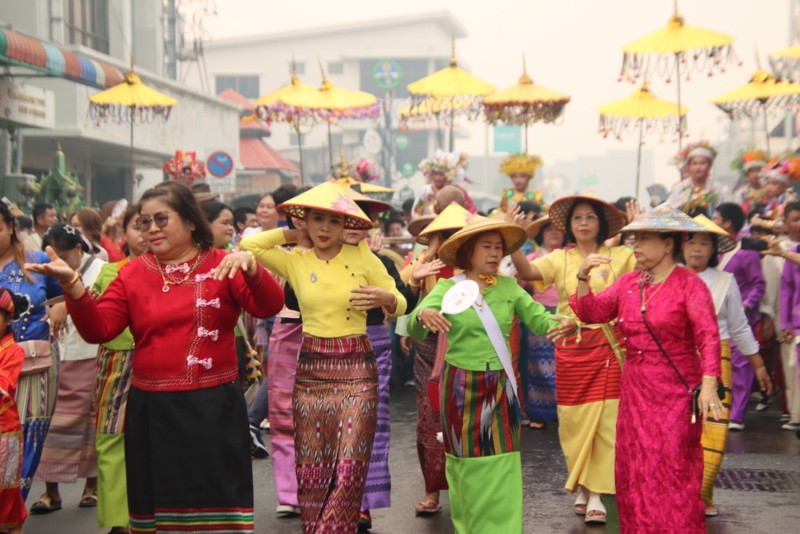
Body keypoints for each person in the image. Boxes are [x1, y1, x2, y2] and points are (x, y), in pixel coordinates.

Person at [26, 181, 284, 533]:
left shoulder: (223, 263)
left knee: (217, 512)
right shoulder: (132, 273)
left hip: (214, 407)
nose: (151, 229)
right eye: (144, 222)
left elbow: (269, 306)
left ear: (190, 220)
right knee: (158, 513)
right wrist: (73, 285)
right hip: (152, 410)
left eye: (161, 219)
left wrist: (252, 269)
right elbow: (100, 329)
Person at [240, 182, 407, 534]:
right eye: (317, 219)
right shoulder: (296, 260)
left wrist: (387, 299)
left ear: (345, 224)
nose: (325, 228)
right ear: (306, 222)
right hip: (312, 369)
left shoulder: (364, 257)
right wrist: (292, 233)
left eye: (334, 220)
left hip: (358, 368)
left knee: (350, 463)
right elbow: (249, 246)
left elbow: (400, 301)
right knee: (313, 465)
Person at [407, 216, 574, 534]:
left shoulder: (509, 287)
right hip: (460, 387)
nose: (495, 253)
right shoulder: (447, 287)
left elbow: (540, 319)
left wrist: (566, 322)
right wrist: (423, 313)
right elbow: (413, 324)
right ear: (468, 251)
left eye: (499, 247)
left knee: (503, 460)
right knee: (465, 462)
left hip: (501, 387)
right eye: (487, 246)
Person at [570, 205, 725, 533]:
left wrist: (710, 383)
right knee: (636, 469)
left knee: (673, 469)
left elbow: (709, 337)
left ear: (668, 244)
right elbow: (592, 312)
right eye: (634, 239)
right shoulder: (629, 283)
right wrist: (582, 276)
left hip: (676, 393)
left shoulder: (689, 284)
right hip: (636, 392)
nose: (635, 245)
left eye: (643, 239)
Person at [509, 195, 633, 524]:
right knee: (573, 421)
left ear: (601, 223)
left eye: (590, 217)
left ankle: (597, 493)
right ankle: (583, 481)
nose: (583, 223)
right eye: (577, 218)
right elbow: (526, 271)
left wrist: (641, 230)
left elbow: (646, 275)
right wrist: (514, 237)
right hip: (571, 348)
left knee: (606, 421)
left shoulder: (621, 256)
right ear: (569, 225)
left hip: (609, 346)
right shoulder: (560, 258)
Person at [340, 195, 420, 531]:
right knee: (330, 426)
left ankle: (361, 504)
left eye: (360, 220)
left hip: (373, 344)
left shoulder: (380, 261)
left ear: (369, 225)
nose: (352, 227)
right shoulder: (313, 260)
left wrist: (389, 298)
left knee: (369, 425)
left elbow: (404, 301)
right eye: (344, 219)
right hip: (325, 348)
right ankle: (332, 500)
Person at [683, 215, 772, 516]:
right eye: (691, 242)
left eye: (704, 243)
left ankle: (703, 494)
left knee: (714, 429)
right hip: (677, 360)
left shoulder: (725, 281)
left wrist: (758, 365)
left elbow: (739, 327)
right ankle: (678, 493)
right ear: (680, 246)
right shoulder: (669, 278)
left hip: (717, 361)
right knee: (678, 430)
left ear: (714, 249)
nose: (697, 248)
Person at [401, 202, 471, 516]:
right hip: (428, 342)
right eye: (444, 234)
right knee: (429, 417)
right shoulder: (427, 259)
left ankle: (467, 490)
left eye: (456, 233)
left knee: (465, 418)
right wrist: (429, 252)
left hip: (465, 341)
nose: (450, 239)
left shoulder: (475, 263)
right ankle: (432, 490)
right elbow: (406, 285)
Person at [31, 224, 106, 514]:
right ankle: (51, 491)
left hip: (91, 352)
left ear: (78, 248)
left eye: (63, 256)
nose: (58, 262)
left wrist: (66, 303)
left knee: (92, 420)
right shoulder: (45, 270)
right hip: (55, 353)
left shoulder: (101, 269)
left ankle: (92, 486)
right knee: (52, 422)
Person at [0, 201, 61, 501]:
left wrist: (61, 307)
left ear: (11, 227)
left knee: (28, 432)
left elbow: (62, 294)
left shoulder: (37, 260)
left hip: (33, 361)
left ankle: (14, 505)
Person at [91, 205, 146, 534]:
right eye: (138, 225)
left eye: (154, 223)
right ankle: (117, 520)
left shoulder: (175, 271)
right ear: (124, 233)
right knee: (111, 436)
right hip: (116, 360)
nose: (147, 232)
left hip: (161, 359)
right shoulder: (110, 272)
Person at [713, 203, 766, 431]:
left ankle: (736, 416)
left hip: (740, 319)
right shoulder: (715, 253)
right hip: (717, 319)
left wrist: (746, 306)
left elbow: (758, 284)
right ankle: (721, 410)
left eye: (716, 218)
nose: (713, 222)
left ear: (727, 223)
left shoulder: (746, 253)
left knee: (741, 366)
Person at [523, 216, 566, 429]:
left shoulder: (570, 257)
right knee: (538, 367)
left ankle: (565, 410)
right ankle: (539, 413)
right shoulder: (531, 259)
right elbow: (521, 283)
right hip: (539, 316)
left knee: (563, 366)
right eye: (549, 230)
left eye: (558, 229)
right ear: (541, 235)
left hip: (566, 317)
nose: (554, 233)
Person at [760, 201, 800, 432]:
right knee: (792, 370)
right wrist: (784, 322)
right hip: (796, 322)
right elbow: (785, 291)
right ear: (785, 222)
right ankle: (795, 415)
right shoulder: (789, 252)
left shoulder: (787, 253)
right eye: (796, 219)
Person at [0, 288, 31, 534]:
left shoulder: (13, 351)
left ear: (9, 319)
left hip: (4, 434)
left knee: (7, 495)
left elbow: (4, 384)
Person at [666, 141, 724, 217]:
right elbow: (670, 208)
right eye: (694, 163)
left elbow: (719, 212)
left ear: (709, 166)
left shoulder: (716, 187)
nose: (698, 167)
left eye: (702, 163)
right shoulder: (681, 187)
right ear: (688, 167)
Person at [413, 150, 476, 217]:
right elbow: (416, 211)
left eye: (441, 174)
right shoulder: (425, 190)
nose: (437, 177)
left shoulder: (458, 191)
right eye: (435, 174)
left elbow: (471, 210)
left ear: (448, 176)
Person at [751, 155, 800, 233]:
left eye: (774, 183)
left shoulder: (790, 200)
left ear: (785, 184)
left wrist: (763, 223)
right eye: (768, 183)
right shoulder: (774, 201)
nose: (769, 187)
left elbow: (787, 226)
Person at [732, 148, 770, 216]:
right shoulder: (742, 193)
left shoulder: (770, 191)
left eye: (759, 170)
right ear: (747, 174)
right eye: (752, 171)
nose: (756, 174)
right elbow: (738, 214)